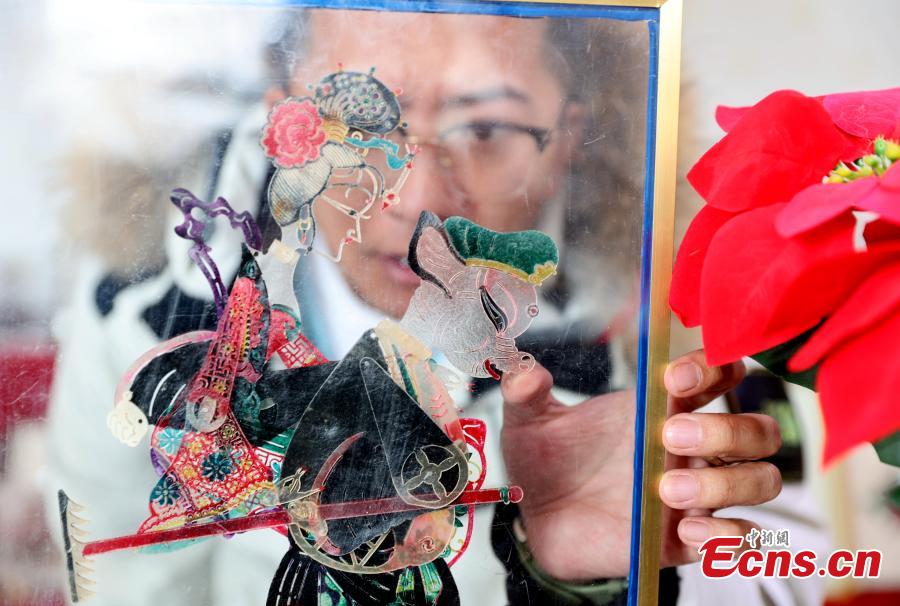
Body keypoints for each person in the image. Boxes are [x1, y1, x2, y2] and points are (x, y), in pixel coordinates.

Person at [46, 7, 798, 606]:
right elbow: (126, 575)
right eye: (359, 127)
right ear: (285, 129)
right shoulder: (144, 303)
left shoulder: (679, 326)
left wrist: (581, 586)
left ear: (569, 137)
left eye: (487, 128)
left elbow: (792, 562)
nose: (420, 201)